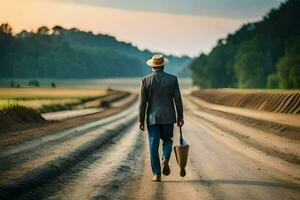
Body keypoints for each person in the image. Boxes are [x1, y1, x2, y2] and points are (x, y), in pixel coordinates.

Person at [139, 54, 184, 182]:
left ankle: (157, 174)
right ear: (163, 65)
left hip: (152, 118)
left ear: (152, 66)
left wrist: (141, 120)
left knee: (153, 145)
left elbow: (143, 103)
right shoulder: (173, 79)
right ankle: (165, 158)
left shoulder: (145, 80)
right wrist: (180, 116)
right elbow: (178, 100)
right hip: (168, 117)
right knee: (168, 140)